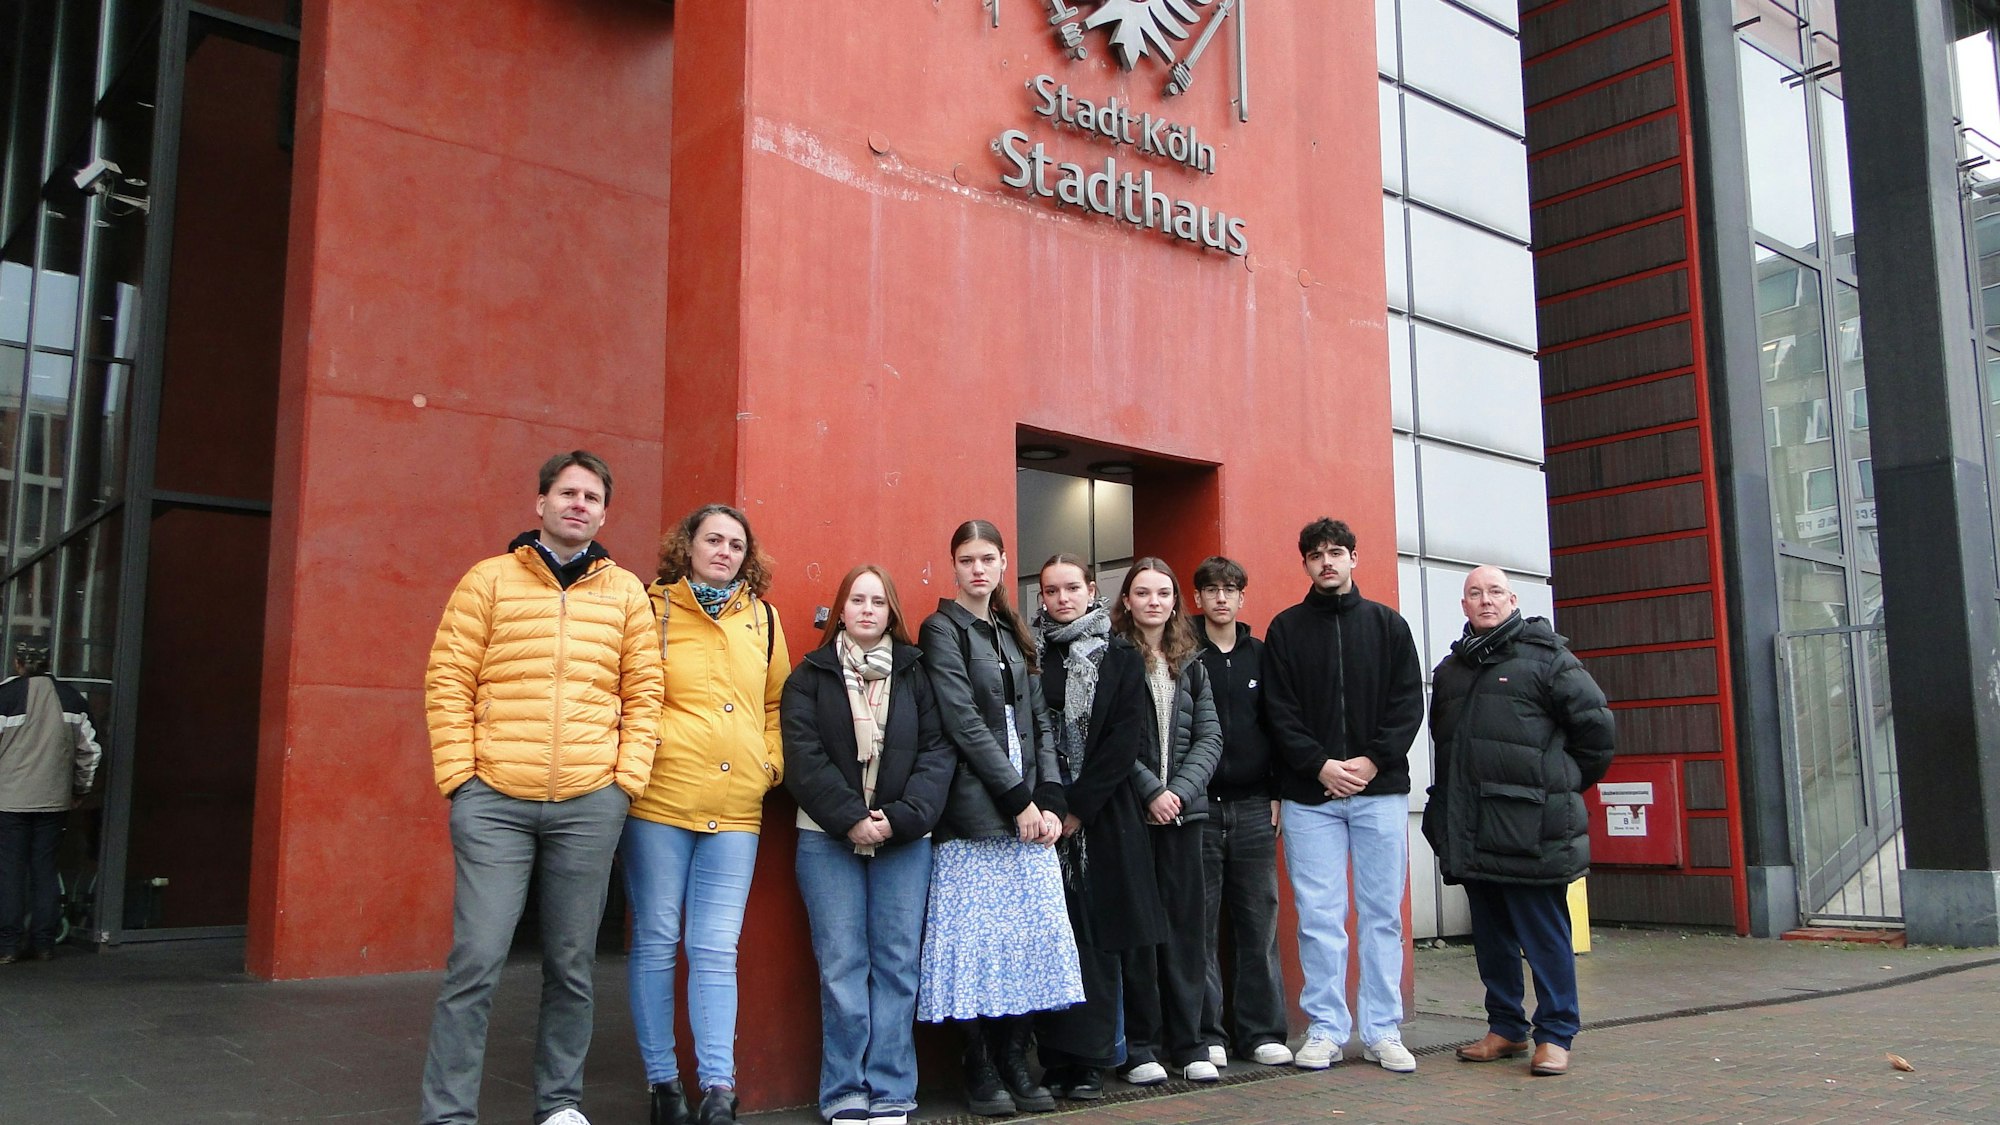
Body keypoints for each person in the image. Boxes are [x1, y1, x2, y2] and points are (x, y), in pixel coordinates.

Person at [421, 451, 665, 1125]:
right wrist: (461, 778)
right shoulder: (488, 582)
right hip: (494, 798)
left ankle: (559, 1102)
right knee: (476, 957)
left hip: (589, 801)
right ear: (541, 502)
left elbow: (645, 692)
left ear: (604, 512)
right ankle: (447, 1112)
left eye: (592, 496)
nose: (579, 503)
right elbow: (448, 680)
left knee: (572, 963)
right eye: (567, 492)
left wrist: (624, 783)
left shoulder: (625, 594)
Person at [625, 503, 791, 1125]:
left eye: (736, 544)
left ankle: (718, 1090)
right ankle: (663, 1087)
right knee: (657, 943)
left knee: (717, 948)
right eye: (713, 540)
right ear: (686, 546)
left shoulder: (766, 620)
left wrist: (768, 765)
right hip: (659, 804)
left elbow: (777, 704)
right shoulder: (649, 607)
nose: (724, 551)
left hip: (737, 808)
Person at [916, 520, 1083, 1118]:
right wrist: (1020, 802)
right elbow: (963, 723)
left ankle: (1017, 1057)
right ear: (953, 566)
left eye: (988, 558)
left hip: (1032, 812)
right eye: (967, 559)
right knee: (975, 945)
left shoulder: (1012, 631)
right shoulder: (941, 629)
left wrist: (1052, 799)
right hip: (976, 816)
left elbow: (1039, 720)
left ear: (1005, 562)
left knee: (1030, 943)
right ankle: (980, 1064)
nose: (978, 569)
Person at [782, 565, 956, 1125]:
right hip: (826, 839)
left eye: (877, 602)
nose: (866, 610)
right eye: (856, 599)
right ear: (840, 608)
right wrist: (851, 819)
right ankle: (844, 1091)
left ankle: (892, 1091)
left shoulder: (917, 673)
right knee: (841, 967)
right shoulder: (808, 677)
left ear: (891, 612)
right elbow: (801, 759)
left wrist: (899, 820)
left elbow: (938, 753)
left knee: (898, 966)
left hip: (905, 841)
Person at [1427, 566, 1614, 1078]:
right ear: (1463, 605)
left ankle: (1556, 1033)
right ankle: (1506, 1027)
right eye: (1474, 594)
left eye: (1494, 592)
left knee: (1544, 933)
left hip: (1533, 828)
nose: (1485, 601)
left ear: (1512, 599)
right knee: (1491, 936)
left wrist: (1561, 782)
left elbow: (1597, 734)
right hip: (1474, 827)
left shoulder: (1550, 659)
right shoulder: (1451, 671)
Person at [1262, 518, 1423, 1074]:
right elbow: (1278, 713)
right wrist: (1321, 765)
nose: (1326, 562)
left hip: (1380, 793)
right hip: (1311, 798)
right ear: (1304, 563)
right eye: (1316, 555)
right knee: (1319, 917)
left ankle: (1382, 1029)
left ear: (1355, 558)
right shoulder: (1285, 630)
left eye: (1336, 553)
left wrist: (1371, 760)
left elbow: (1408, 706)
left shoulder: (1388, 626)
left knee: (1382, 915)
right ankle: (1326, 1028)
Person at [1031, 554, 1166, 1101]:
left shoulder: (1121, 656)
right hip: (1040, 814)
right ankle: (1054, 1057)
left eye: (1071, 588)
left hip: (1104, 818)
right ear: (1040, 597)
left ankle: (1089, 1060)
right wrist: (1050, 804)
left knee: (1096, 940)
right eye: (1050, 590)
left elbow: (1121, 744)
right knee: (1049, 937)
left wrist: (1078, 811)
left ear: (1092, 591)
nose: (1062, 599)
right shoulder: (1029, 653)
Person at [1111, 557, 1223, 1086]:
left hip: (1185, 817)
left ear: (1175, 602)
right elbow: (1107, 743)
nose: (1153, 601)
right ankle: (1141, 1047)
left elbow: (1210, 738)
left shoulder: (1192, 661)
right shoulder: (1111, 657)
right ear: (1127, 600)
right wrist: (1150, 791)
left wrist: (1177, 792)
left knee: (1184, 933)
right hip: (1132, 817)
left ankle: (1190, 1043)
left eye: (1163, 593)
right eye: (1142, 592)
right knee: (1139, 935)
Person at [1188, 556, 1292, 1069]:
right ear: (1198, 599)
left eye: (1230, 589)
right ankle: (1208, 1035)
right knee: (1200, 925)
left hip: (1254, 806)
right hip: (1199, 808)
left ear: (1242, 597)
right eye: (1212, 590)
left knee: (1259, 923)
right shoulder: (1185, 654)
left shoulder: (1261, 655)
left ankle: (1262, 1032)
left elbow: (1278, 726)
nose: (1221, 598)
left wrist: (1276, 791)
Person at [0, 638, 101, 964]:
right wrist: (79, 790)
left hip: (9, 799)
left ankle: (8, 946)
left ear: (17, 662)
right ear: (48, 663)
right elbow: (90, 752)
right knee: (44, 869)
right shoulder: (71, 698)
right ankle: (44, 944)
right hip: (54, 800)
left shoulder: (5, 696)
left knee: (10, 872)